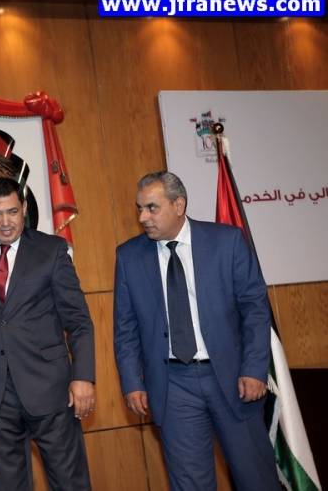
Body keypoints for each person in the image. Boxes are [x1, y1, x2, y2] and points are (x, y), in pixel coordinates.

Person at [114, 171, 280, 490]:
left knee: (256, 478)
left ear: (178, 205)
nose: (143, 217)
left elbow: (255, 309)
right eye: (139, 209)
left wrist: (254, 369)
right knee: (190, 484)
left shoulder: (226, 241)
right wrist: (132, 381)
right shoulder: (129, 256)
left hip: (233, 378)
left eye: (151, 208)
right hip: (173, 385)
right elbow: (125, 327)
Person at [0, 177, 95, 491]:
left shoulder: (51, 250)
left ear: (25, 208)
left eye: (12, 212)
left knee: (70, 483)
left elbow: (79, 320)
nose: (5, 222)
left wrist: (83, 377)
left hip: (52, 390)